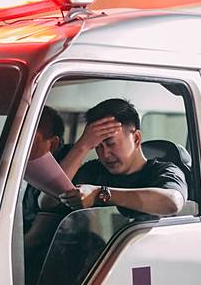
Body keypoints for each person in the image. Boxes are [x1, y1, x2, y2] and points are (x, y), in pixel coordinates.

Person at [44, 98, 187, 218]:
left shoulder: (163, 171)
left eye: (111, 144)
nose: (105, 154)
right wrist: (82, 146)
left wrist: (100, 194)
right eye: (98, 146)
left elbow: (172, 203)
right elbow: (47, 202)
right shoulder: (94, 171)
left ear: (136, 138)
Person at [23, 106, 71, 232]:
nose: (21, 147)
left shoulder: (69, 168)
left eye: (29, 141)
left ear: (53, 144)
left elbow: (47, 202)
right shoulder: (16, 165)